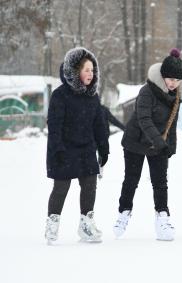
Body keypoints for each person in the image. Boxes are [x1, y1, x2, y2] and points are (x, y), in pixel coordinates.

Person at [113, 48, 182, 241]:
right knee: (131, 180)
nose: (173, 83)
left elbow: (172, 123)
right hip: (136, 141)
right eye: (170, 79)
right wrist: (160, 142)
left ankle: (162, 216)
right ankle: (124, 212)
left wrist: (171, 147)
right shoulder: (147, 92)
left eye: (177, 80)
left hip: (158, 144)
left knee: (160, 183)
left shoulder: (177, 97)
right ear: (162, 76)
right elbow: (144, 120)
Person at [45, 47, 109, 244]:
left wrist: (103, 146)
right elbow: (54, 125)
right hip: (64, 148)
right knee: (61, 187)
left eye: (92, 70)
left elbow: (99, 124)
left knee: (90, 185)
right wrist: (58, 149)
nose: (91, 74)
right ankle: (52, 225)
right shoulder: (60, 95)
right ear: (75, 71)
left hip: (86, 148)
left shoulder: (93, 96)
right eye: (86, 70)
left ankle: (86, 225)